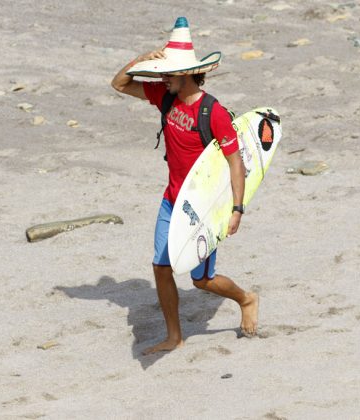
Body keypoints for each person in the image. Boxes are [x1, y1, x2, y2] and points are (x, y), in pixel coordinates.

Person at [110, 17, 259, 354]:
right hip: (172, 200)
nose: (162, 78)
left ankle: (246, 299)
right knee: (161, 267)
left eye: (169, 73)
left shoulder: (213, 111)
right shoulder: (165, 97)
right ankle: (174, 336)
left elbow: (236, 161)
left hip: (204, 206)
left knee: (201, 279)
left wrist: (237, 208)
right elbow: (119, 84)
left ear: (188, 73)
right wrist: (144, 58)